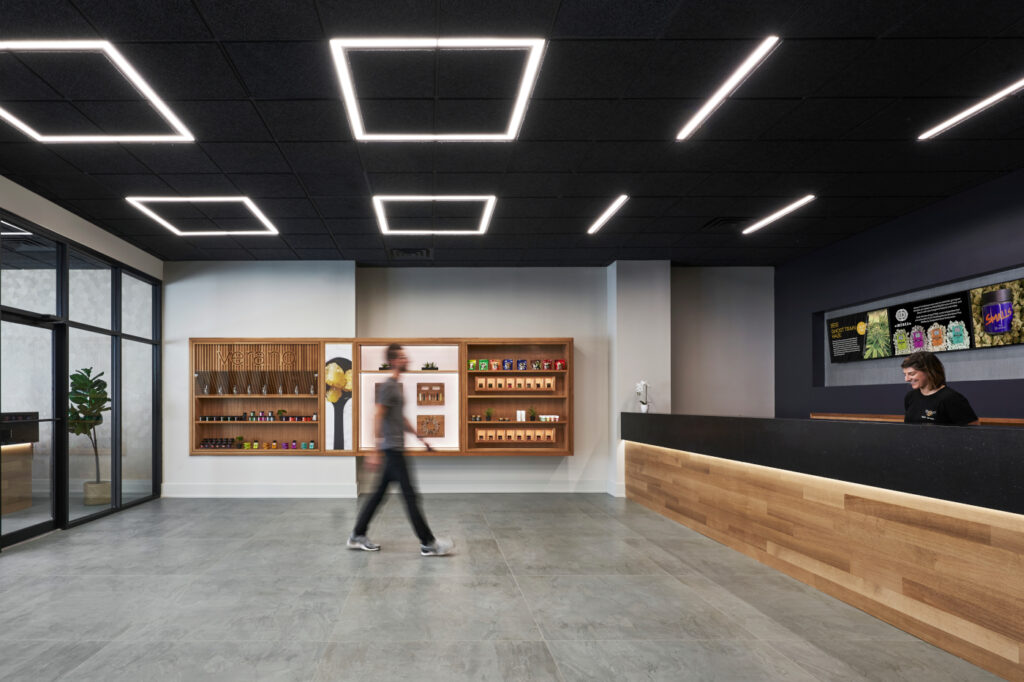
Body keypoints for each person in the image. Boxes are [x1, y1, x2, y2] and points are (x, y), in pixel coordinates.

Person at [348, 343, 454, 556]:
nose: (407, 360)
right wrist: (375, 450)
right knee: (410, 496)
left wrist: (420, 437)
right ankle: (428, 543)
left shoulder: (396, 386)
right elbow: (378, 416)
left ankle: (357, 535)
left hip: (394, 450)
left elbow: (400, 418)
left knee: (379, 495)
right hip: (391, 450)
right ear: (394, 361)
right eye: (403, 357)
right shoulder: (388, 386)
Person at [901, 351, 979, 425]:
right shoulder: (910, 397)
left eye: (911, 374)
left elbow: (974, 430)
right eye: (905, 374)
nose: (906, 379)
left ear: (929, 371)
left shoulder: (951, 398)